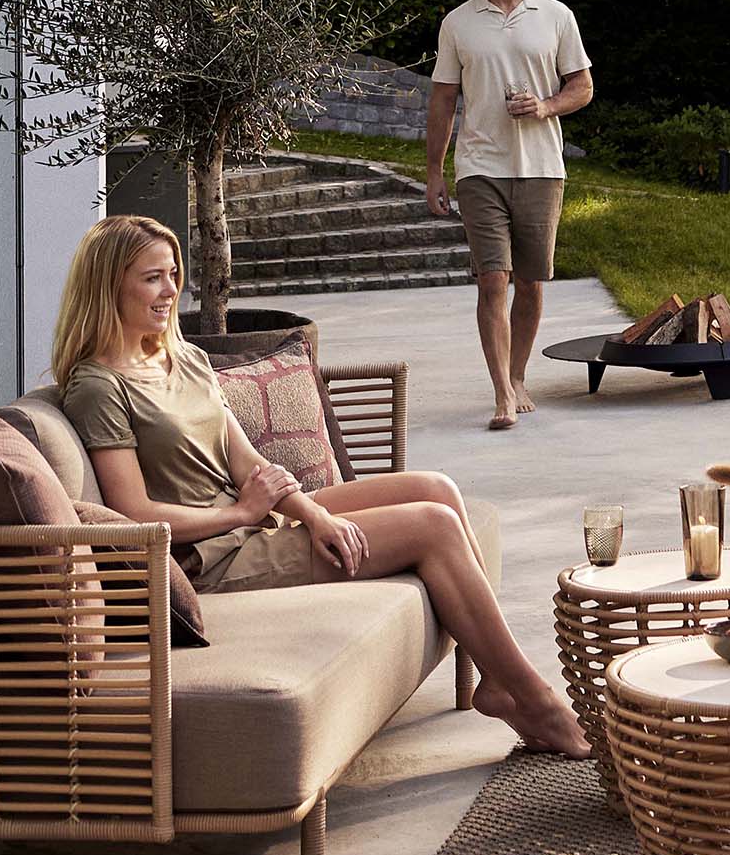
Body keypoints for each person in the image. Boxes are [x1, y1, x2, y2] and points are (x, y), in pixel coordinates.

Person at [52, 213, 590, 758]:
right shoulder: (98, 387)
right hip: (212, 555)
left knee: (437, 488)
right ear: (108, 284)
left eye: (173, 273)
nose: (171, 290)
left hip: (253, 517)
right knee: (434, 526)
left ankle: (495, 679)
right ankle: (535, 697)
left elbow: (247, 462)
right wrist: (240, 515)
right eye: (152, 278)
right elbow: (135, 514)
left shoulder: (183, 356)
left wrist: (313, 515)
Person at [426, 0, 593, 431]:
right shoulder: (457, 23)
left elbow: (581, 88)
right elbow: (442, 102)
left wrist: (544, 106)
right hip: (480, 167)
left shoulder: (557, 16)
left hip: (542, 167)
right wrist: (435, 171)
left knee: (532, 282)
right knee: (492, 279)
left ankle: (518, 375)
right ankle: (502, 392)